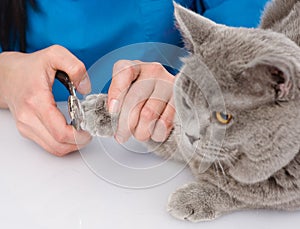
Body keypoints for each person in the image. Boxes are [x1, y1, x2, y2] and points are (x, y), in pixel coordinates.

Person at [0, 0, 269, 156]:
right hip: (25, 161)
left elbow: (256, 24)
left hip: (178, 140)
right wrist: (8, 74)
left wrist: (196, 83)